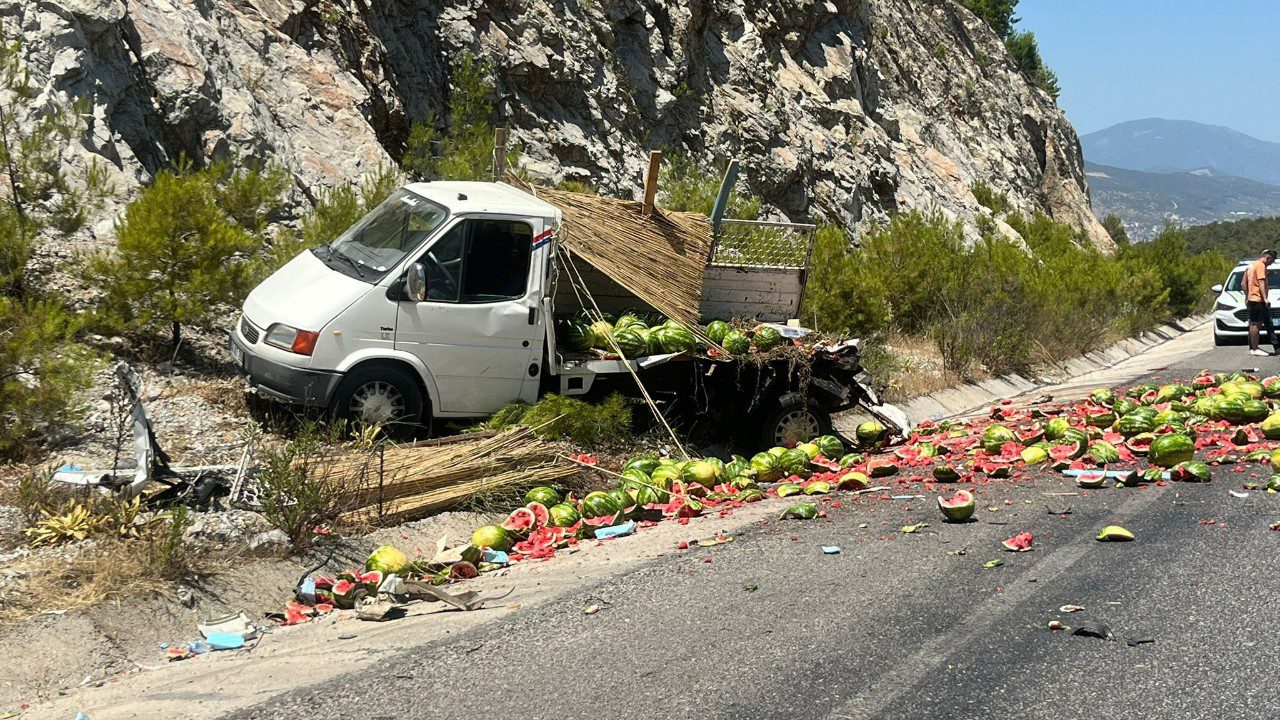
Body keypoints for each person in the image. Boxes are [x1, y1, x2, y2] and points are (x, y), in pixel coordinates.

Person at [1244, 249, 1278, 356]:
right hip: (1258, 299)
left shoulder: (1253, 265)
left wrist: (1247, 296)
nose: (1271, 263)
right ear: (1268, 257)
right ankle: (1254, 348)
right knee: (1256, 324)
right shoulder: (1260, 265)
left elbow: (1245, 283)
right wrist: (1265, 298)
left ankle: (1254, 347)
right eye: (1272, 260)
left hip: (1253, 298)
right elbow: (1260, 281)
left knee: (1255, 323)